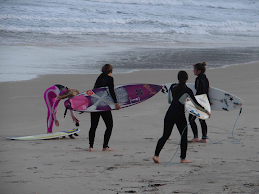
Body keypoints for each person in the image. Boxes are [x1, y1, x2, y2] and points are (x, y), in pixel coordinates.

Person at [153, 71, 211, 164]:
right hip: (179, 115)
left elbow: (169, 101)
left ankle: (156, 155)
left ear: (178, 78)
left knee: (165, 135)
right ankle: (183, 159)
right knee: (183, 136)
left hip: (169, 113)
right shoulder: (187, 90)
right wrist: (206, 111)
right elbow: (196, 105)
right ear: (187, 79)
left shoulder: (172, 87)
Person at [88, 64, 121, 152]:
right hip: (104, 105)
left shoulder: (99, 77)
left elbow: (95, 90)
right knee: (109, 125)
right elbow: (111, 91)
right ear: (111, 71)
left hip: (95, 104)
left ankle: (91, 147)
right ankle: (105, 146)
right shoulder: (110, 78)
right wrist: (116, 102)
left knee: (93, 126)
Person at [189, 62, 210, 143]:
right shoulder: (205, 78)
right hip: (205, 101)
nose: (193, 71)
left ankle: (196, 137)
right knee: (202, 120)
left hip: (199, 101)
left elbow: (199, 92)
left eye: (194, 69)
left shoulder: (198, 79)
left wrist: (195, 102)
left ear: (199, 71)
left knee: (191, 119)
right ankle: (204, 138)